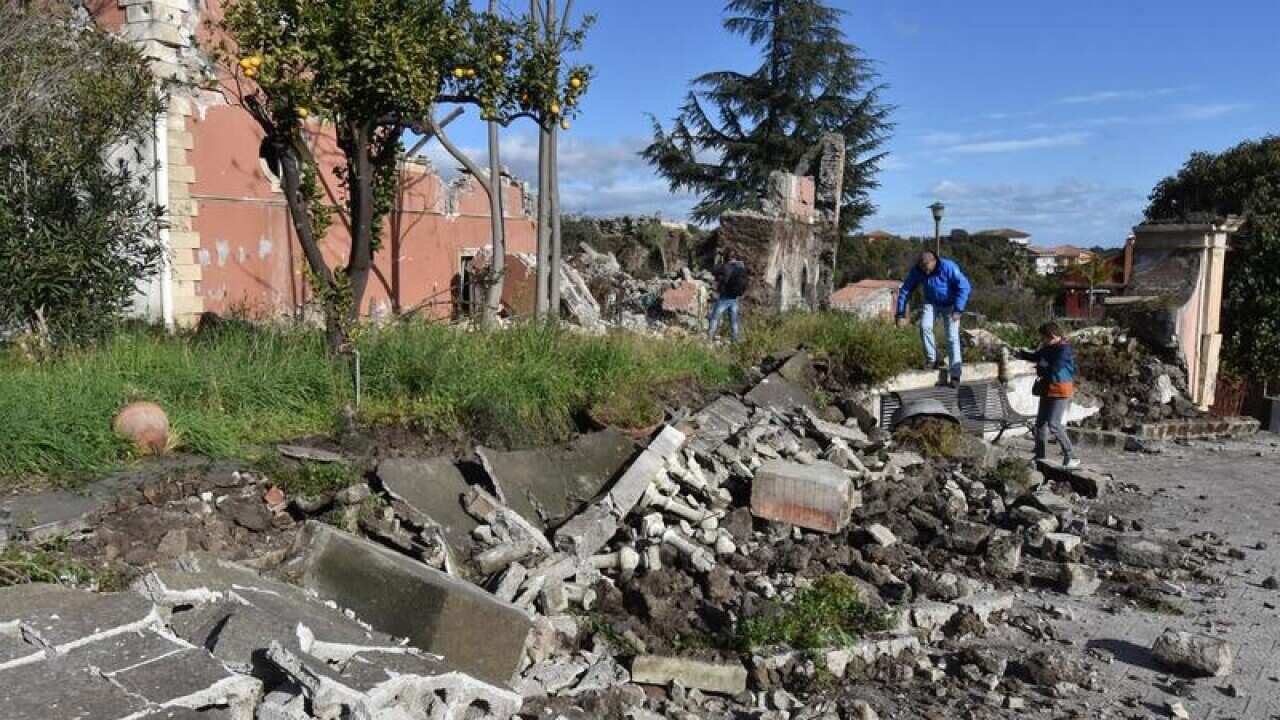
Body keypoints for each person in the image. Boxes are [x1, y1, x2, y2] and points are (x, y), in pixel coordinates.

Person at [895, 250, 972, 386]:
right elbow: (905, 290)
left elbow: (964, 286)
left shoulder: (948, 267)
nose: (925, 271)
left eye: (926, 267)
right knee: (924, 327)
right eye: (922, 267)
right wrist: (900, 313)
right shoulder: (918, 270)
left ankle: (955, 372)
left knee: (952, 337)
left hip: (951, 305)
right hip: (931, 303)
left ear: (933, 262)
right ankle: (932, 359)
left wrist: (958, 309)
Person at [1017, 322, 1081, 469]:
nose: (1042, 341)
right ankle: (1040, 456)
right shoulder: (1047, 347)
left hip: (1060, 390)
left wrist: (1041, 366)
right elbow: (1036, 357)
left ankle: (1071, 456)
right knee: (1040, 424)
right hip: (1047, 388)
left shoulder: (1065, 350)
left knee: (1054, 424)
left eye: (1044, 338)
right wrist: (1021, 354)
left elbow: (1054, 367)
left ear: (1052, 336)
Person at [708, 254, 748, 343]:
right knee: (734, 321)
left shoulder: (726, 266)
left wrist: (720, 263)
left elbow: (713, 270)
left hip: (724, 297)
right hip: (734, 298)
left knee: (714, 317)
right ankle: (734, 341)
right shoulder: (741, 268)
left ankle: (709, 338)